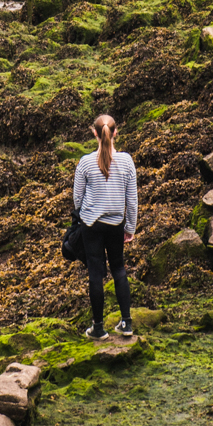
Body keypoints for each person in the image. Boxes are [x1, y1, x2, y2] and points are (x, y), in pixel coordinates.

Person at [72, 113, 138, 338]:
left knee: (96, 274)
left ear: (94, 134)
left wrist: (86, 213)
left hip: (91, 224)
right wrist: (130, 227)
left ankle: (98, 328)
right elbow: (132, 199)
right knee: (119, 269)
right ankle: (126, 324)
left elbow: (77, 199)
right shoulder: (127, 161)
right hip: (116, 223)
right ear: (116, 133)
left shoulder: (85, 163)